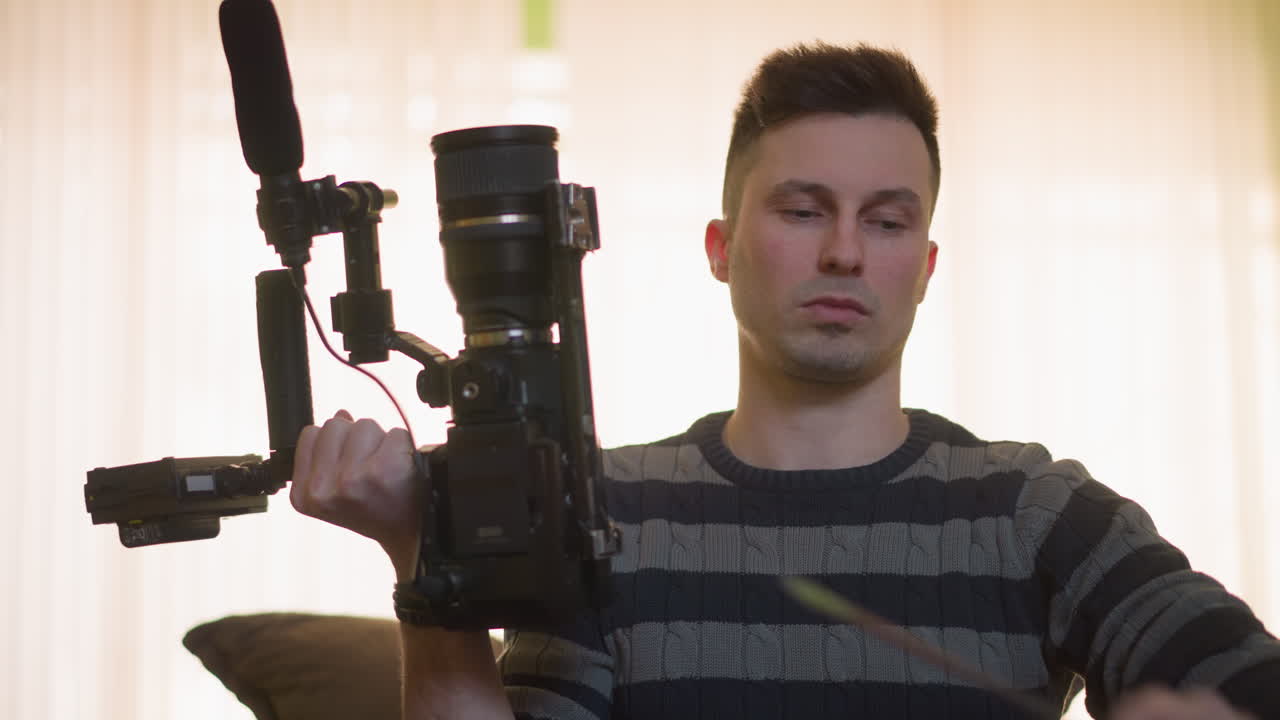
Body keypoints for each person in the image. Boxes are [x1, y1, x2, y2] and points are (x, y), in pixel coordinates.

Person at [289, 43, 1280, 719]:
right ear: (720, 248)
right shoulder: (602, 513)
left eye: (886, 221)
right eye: (804, 211)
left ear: (923, 267)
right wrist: (422, 560)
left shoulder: (1035, 513)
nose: (845, 252)